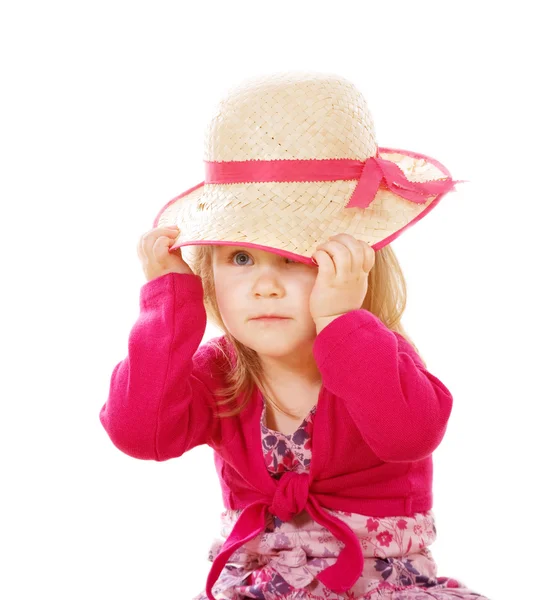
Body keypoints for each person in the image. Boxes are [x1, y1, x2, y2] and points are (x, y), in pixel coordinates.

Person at [99, 72, 490, 599]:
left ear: (355, 266)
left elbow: (409, 435)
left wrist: (341, 323)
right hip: (258, 586)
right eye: (240, 258)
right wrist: (169, 306)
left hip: (381, 588)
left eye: (294, 257)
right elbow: (138, 433)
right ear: (210, 273)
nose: (264, 285)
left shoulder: (377, 354)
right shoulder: (221, 371)